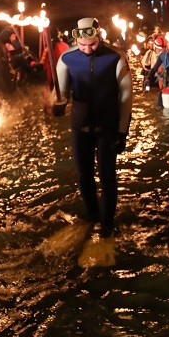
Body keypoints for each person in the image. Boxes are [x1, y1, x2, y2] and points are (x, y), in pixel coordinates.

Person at [54, 17, 134, 237]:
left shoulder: (115, 56)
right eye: (82, 45)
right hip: (80, 126)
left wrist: (122, 130)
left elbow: (126, 94)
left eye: (92, 44)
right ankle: (92, 217)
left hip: (107, 126)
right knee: (84, 176)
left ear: (100, 36)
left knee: (107, 175)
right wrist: (57, 105)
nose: (87, 50)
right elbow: (60, 92)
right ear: (76, 41)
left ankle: (107, 224)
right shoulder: (66, 59)